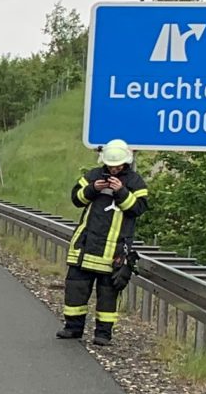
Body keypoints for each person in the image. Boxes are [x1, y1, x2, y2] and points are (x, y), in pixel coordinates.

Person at [59, 138, 146, 345]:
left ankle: (103, 334)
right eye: (110, 165)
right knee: (76, 289)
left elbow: (138, 209)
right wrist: (92, 188)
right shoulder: (93, 175)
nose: (113, 169)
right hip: (85, 246)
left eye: (117, 166)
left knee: (108, 294)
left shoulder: (135, 182)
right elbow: (76, 199)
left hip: (114, 250)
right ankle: (72, 328)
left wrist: (121, 192)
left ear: (125, 162)